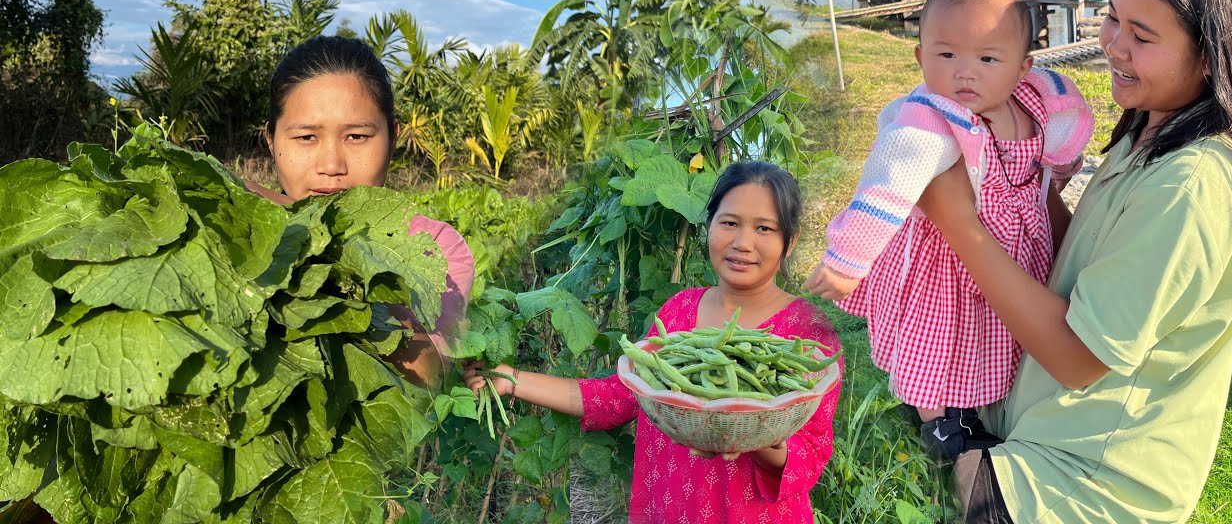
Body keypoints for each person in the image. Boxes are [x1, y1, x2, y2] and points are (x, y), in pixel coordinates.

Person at [915, 0, 1232, 523]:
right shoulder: (1151, 127)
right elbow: (1081, 260)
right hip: (1043, 427)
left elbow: (1080, 358)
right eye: (1113, 18)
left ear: (1211, 56)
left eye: (1142, 35)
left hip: (1083, 486)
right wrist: (1026, 186)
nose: (1112, 44)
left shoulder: (1193, 183)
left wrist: (960, 223)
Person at [802, 0, 1094, 457]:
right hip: (947, 263)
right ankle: (939, 420)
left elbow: (1054, 154)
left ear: (1023, 68)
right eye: (947, 55)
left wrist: (1061, 169)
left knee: (995, 330)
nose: (965, 73)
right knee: (942, 336)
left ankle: (981, 402)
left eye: (987, 59)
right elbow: (887, 184)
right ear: (920, 57)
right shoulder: (932, 119)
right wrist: (847, 259)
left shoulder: (1035, 102)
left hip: (1011, 250)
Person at [464, 161, 842, 523]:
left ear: (789, 242)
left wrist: (753, 434)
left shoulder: (809, 331)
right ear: (709, 226)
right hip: (669, 507)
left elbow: (811, 454)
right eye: (729, 223)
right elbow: (619, 396)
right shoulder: (679, 310)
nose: (742, 242)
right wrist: (511, 378)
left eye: (764, 229)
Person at [246, 35, 473, 387]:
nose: (332, 165)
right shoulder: (240, 229)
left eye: (356, 136)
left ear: (393, 138)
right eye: (307, 137)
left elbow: (433, 375)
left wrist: (337, 248)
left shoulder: (435, 247)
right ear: (271, 140)